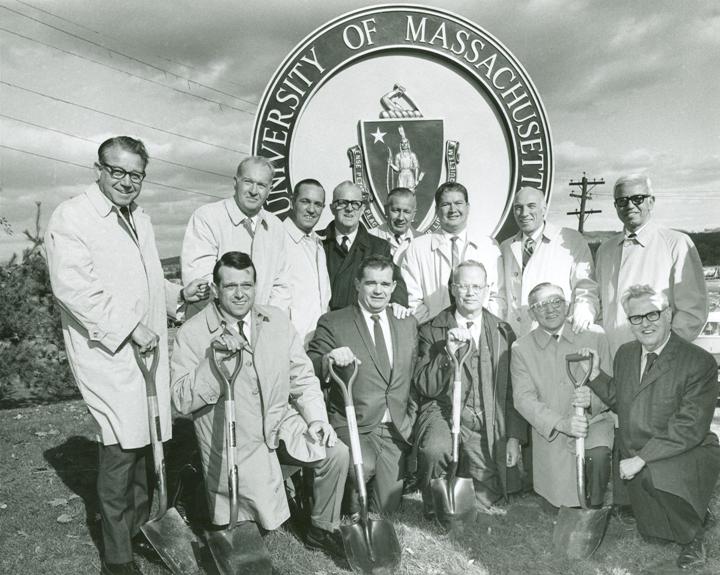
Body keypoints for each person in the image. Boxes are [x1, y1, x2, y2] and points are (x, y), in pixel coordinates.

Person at [44, 136, 207, 575]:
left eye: (135, 174)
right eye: (117, 171)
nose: (126, 181)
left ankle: (138, 525)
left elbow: (147, 280)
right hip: (107, 350)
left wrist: (178, 295)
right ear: (98, 168)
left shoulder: (141, 218)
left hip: (146, 349)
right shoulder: (73, 217)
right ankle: (117, 557)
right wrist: (128, 328)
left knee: (143, 441)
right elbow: (73, 290)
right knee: (119, 446)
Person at [170, 252, 349, 558]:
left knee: (335, 453)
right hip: (235, 437)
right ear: (215, 289)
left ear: (256, 286)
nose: (240, 294)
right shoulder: (193, 333)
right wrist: (213, 364)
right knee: (259, 521)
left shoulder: (276, 321)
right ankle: (199, 491)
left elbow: (303, 377)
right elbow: (181, 399)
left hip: (280, 423)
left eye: (247, 285)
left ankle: (321, 528)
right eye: (230, 286)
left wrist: (317, 419)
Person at [581, 284, 719, 569]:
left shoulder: (699, 362)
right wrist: (595, 375)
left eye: (652, 314)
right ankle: (683, 513)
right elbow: (624, 400)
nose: (645, 324)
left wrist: (641, 458)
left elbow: (689, 426)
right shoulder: (626, 354)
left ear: (668, 314)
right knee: (654, 535)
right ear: (629, 322)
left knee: (659, 484)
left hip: (686, 449)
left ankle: (696, 535)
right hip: (639, 449)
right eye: (636, 318)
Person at [307, 255, 418, 514]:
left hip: (394, 429)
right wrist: (328, 359)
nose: (378, 290)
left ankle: (365, 499)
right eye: (371, 283)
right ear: (357, 284)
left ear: (393, 287)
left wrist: (410, 417)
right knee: (363, 468)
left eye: (384, 284)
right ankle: (347, 503)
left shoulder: (407, 323)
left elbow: (414, 372)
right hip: (353, 423)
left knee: (386, 509)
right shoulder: (334, 322)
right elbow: (309, 365)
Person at [413, 261, 525, 514]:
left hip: (484, 418)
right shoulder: (431, 329)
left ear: (487, 289)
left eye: (477, 286)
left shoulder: (502, 332)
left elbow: (512, 392)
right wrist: (445, 355)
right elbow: (424, 386)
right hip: (443, 412)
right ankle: (435, 502)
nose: (470, 292)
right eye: (463, 286)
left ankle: (468, 473)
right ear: (453, 289)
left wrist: (514, 437)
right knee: (434, 450)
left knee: (488, 495)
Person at [511, 282, 613, 510]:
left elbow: (611, 389)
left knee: (597, 456)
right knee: (556, 502)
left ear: (567, 305)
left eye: (556, 301)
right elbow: (523, 399)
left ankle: (593, 508)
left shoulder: (594, 336)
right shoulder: (521, 348)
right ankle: (563, 501)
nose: (551, 309)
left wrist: (592, 402)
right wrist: (561, 424)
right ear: (531, 313)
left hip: (593, 422)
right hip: (553, 430)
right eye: (541, 305)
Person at [595, 174, 707, 356]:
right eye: (622, 201)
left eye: (638, 198)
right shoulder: (605, 251)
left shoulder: (676, 243)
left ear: (651, 202)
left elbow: (692, 313)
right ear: (615, 206)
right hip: (613, 362)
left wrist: (660, 355)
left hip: (660, 364)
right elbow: (601, 311)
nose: (630, 205)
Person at [181, 155, 291, 315]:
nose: (254, 191)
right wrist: (234, 324)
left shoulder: (276, 227)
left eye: (261, 185)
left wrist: (266, 323)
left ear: (270, 190)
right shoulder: (207, 217)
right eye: (248, 182)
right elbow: (201, 282)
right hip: (215, 328)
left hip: (262, 327)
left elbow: (282, 285)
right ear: (235, 182)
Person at [500, 186, 598, 338]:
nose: (524, 213)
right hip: (514, 339)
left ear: (544, 208)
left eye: (531, 206)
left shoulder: (570, 240)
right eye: (518, 208)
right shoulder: (506, 247)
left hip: (557, 336)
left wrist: (583, 312)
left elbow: (586, 287)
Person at [402, 182, 505, 324]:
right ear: (437, 210)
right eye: (446, 204)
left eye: (458, 203)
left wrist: (480, 327)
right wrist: (435, 328)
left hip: (480, 333)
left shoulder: (488, 246)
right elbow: (411, 298)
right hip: (432, 335)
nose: (453, 209)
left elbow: (497, 296)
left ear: (467, 208)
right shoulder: (418, 247)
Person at [318, 181, 407, 310]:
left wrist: (397, 304)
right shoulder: (317, 242)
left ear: (362, 209)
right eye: (342, 203)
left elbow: (396, 282)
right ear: (332, 208)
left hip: (360, 323)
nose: (349, 209)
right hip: (322, 322)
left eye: (355, 204)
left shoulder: (379, 247)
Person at [283, 178, 332, 346]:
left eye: (318, 204)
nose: (311, 210)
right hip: (288, 343)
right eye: (305, 201)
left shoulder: (318, 243)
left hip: (317, 344)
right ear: (292, 202)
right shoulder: (276, 240)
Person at [368, 187, 418, 266]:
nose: (400, 218)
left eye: (406, 212)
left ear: (413, 214)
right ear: (386, 210)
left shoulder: (423, 241)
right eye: (395, 210)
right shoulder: (368, 237)